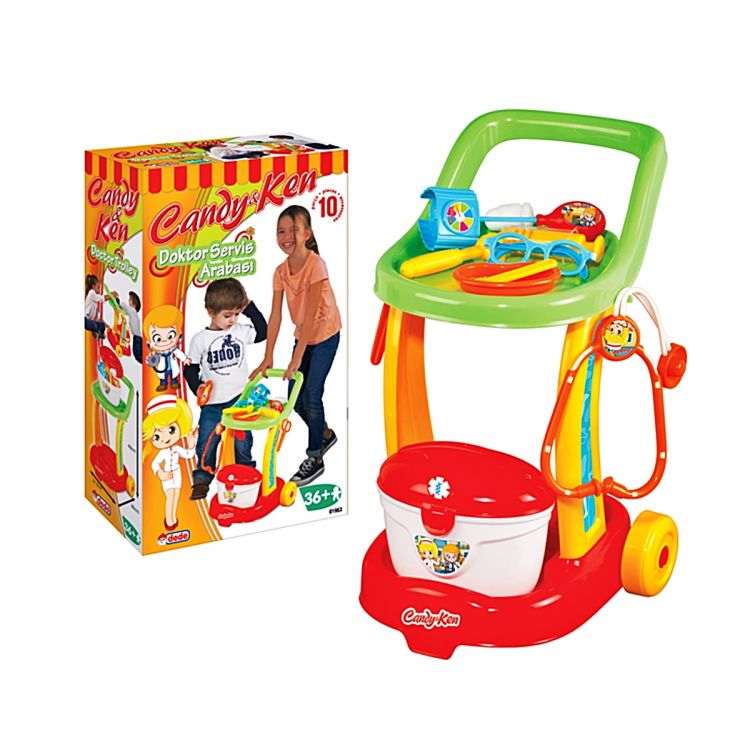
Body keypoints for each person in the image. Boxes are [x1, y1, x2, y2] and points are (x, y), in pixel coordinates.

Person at [251, 205, 341, 487]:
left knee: (312, 394)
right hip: (303, 336)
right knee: (295, 399)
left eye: (293, 230)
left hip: (325, 336)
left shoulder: (316, 265)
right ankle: (324, 434)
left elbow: (313, 316)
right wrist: (268, 356)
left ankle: (315, 457)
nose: (286, 237)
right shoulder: (280, 272)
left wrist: (296, 358)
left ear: (307, 233)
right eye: (281, 231)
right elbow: (275, 316)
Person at [184, 277, 267, 500]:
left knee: (243, 441)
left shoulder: (240, 331)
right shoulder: (200, 339)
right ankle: (202, 479)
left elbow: (264, 331)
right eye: (227, 315)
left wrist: (249, 307)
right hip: (212, 404)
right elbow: (189, 369)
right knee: (207, 442)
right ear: (211, 312)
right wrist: (197, 387)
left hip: (239, 400)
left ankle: (246, 473)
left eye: (237, 314)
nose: (233, 320)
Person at [143, 394, 199, 531]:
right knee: (170, 496)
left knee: (176, 496)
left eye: (171, 430)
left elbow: (188, 454)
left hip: (177, 474)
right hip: (167, 475)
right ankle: (169, 519)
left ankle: (173, 517)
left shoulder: (176, 448)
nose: (165, 438)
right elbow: (154, 464)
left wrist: (192, 443)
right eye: (157, 436)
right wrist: (160, 473)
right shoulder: (162, 453)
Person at [143, 304, 188, 391]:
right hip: (162, 368)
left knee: (174, 375)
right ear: (149, 343)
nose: (164, 341)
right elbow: (152, 361)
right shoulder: (157, 354)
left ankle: (174, 382)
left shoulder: (174, 350)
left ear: (179, 335)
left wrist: (185, 359)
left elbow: (179, 354)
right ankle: (163, 384)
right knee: (162, 376)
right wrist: (150, 361)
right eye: (158, 338)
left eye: (170, 336)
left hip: (172, 367)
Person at [84, 274, 108, 339]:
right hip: (85, 320)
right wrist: (111, 295)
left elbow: (99, 317)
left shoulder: (94, 301)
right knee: (93, 324)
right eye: (98, 287)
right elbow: (101, 299)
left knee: (102, 325)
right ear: (93, 286)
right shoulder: (91, 293)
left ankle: (99, 333)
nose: (99, 288)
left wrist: (105, 325)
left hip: (89, 321)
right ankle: (96, 332)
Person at [126, 291, 143, 364]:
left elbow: (125, 307)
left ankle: (149, 363)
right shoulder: (133, 313)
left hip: (137, 338)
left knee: (138, 355)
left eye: (130, 300)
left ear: (134, 303)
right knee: (138, 355)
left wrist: (118, 301)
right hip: (137, 338)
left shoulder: (132, 310)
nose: (128, 301)